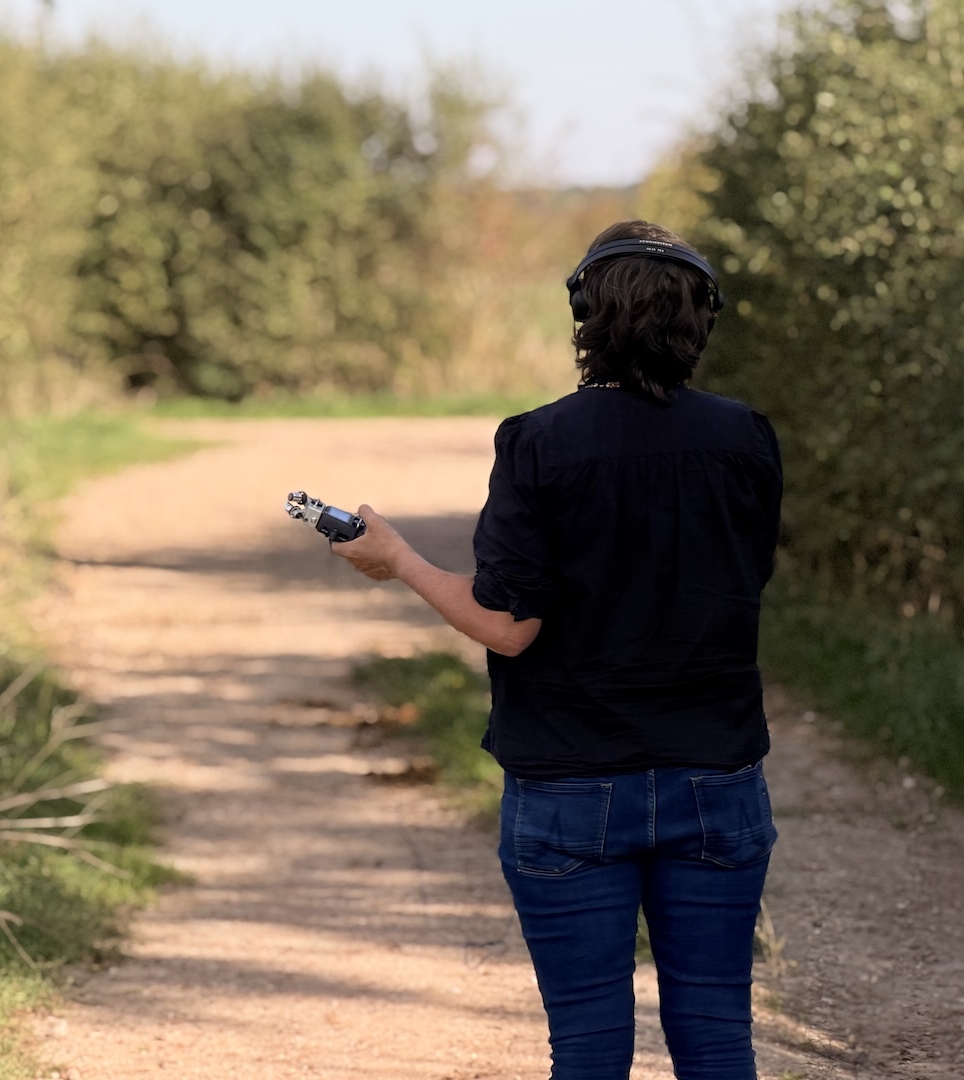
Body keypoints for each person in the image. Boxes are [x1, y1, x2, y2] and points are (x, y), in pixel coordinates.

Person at [332, 219, 782, 1080]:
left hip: (572, 788)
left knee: (586, 1045)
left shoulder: (539, 442)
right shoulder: (746, 438)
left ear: (585, 318)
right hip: (716, 779)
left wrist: (399, 561)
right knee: (720, 1037)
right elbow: (743, 581)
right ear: (702, 321)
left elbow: (508, 624)